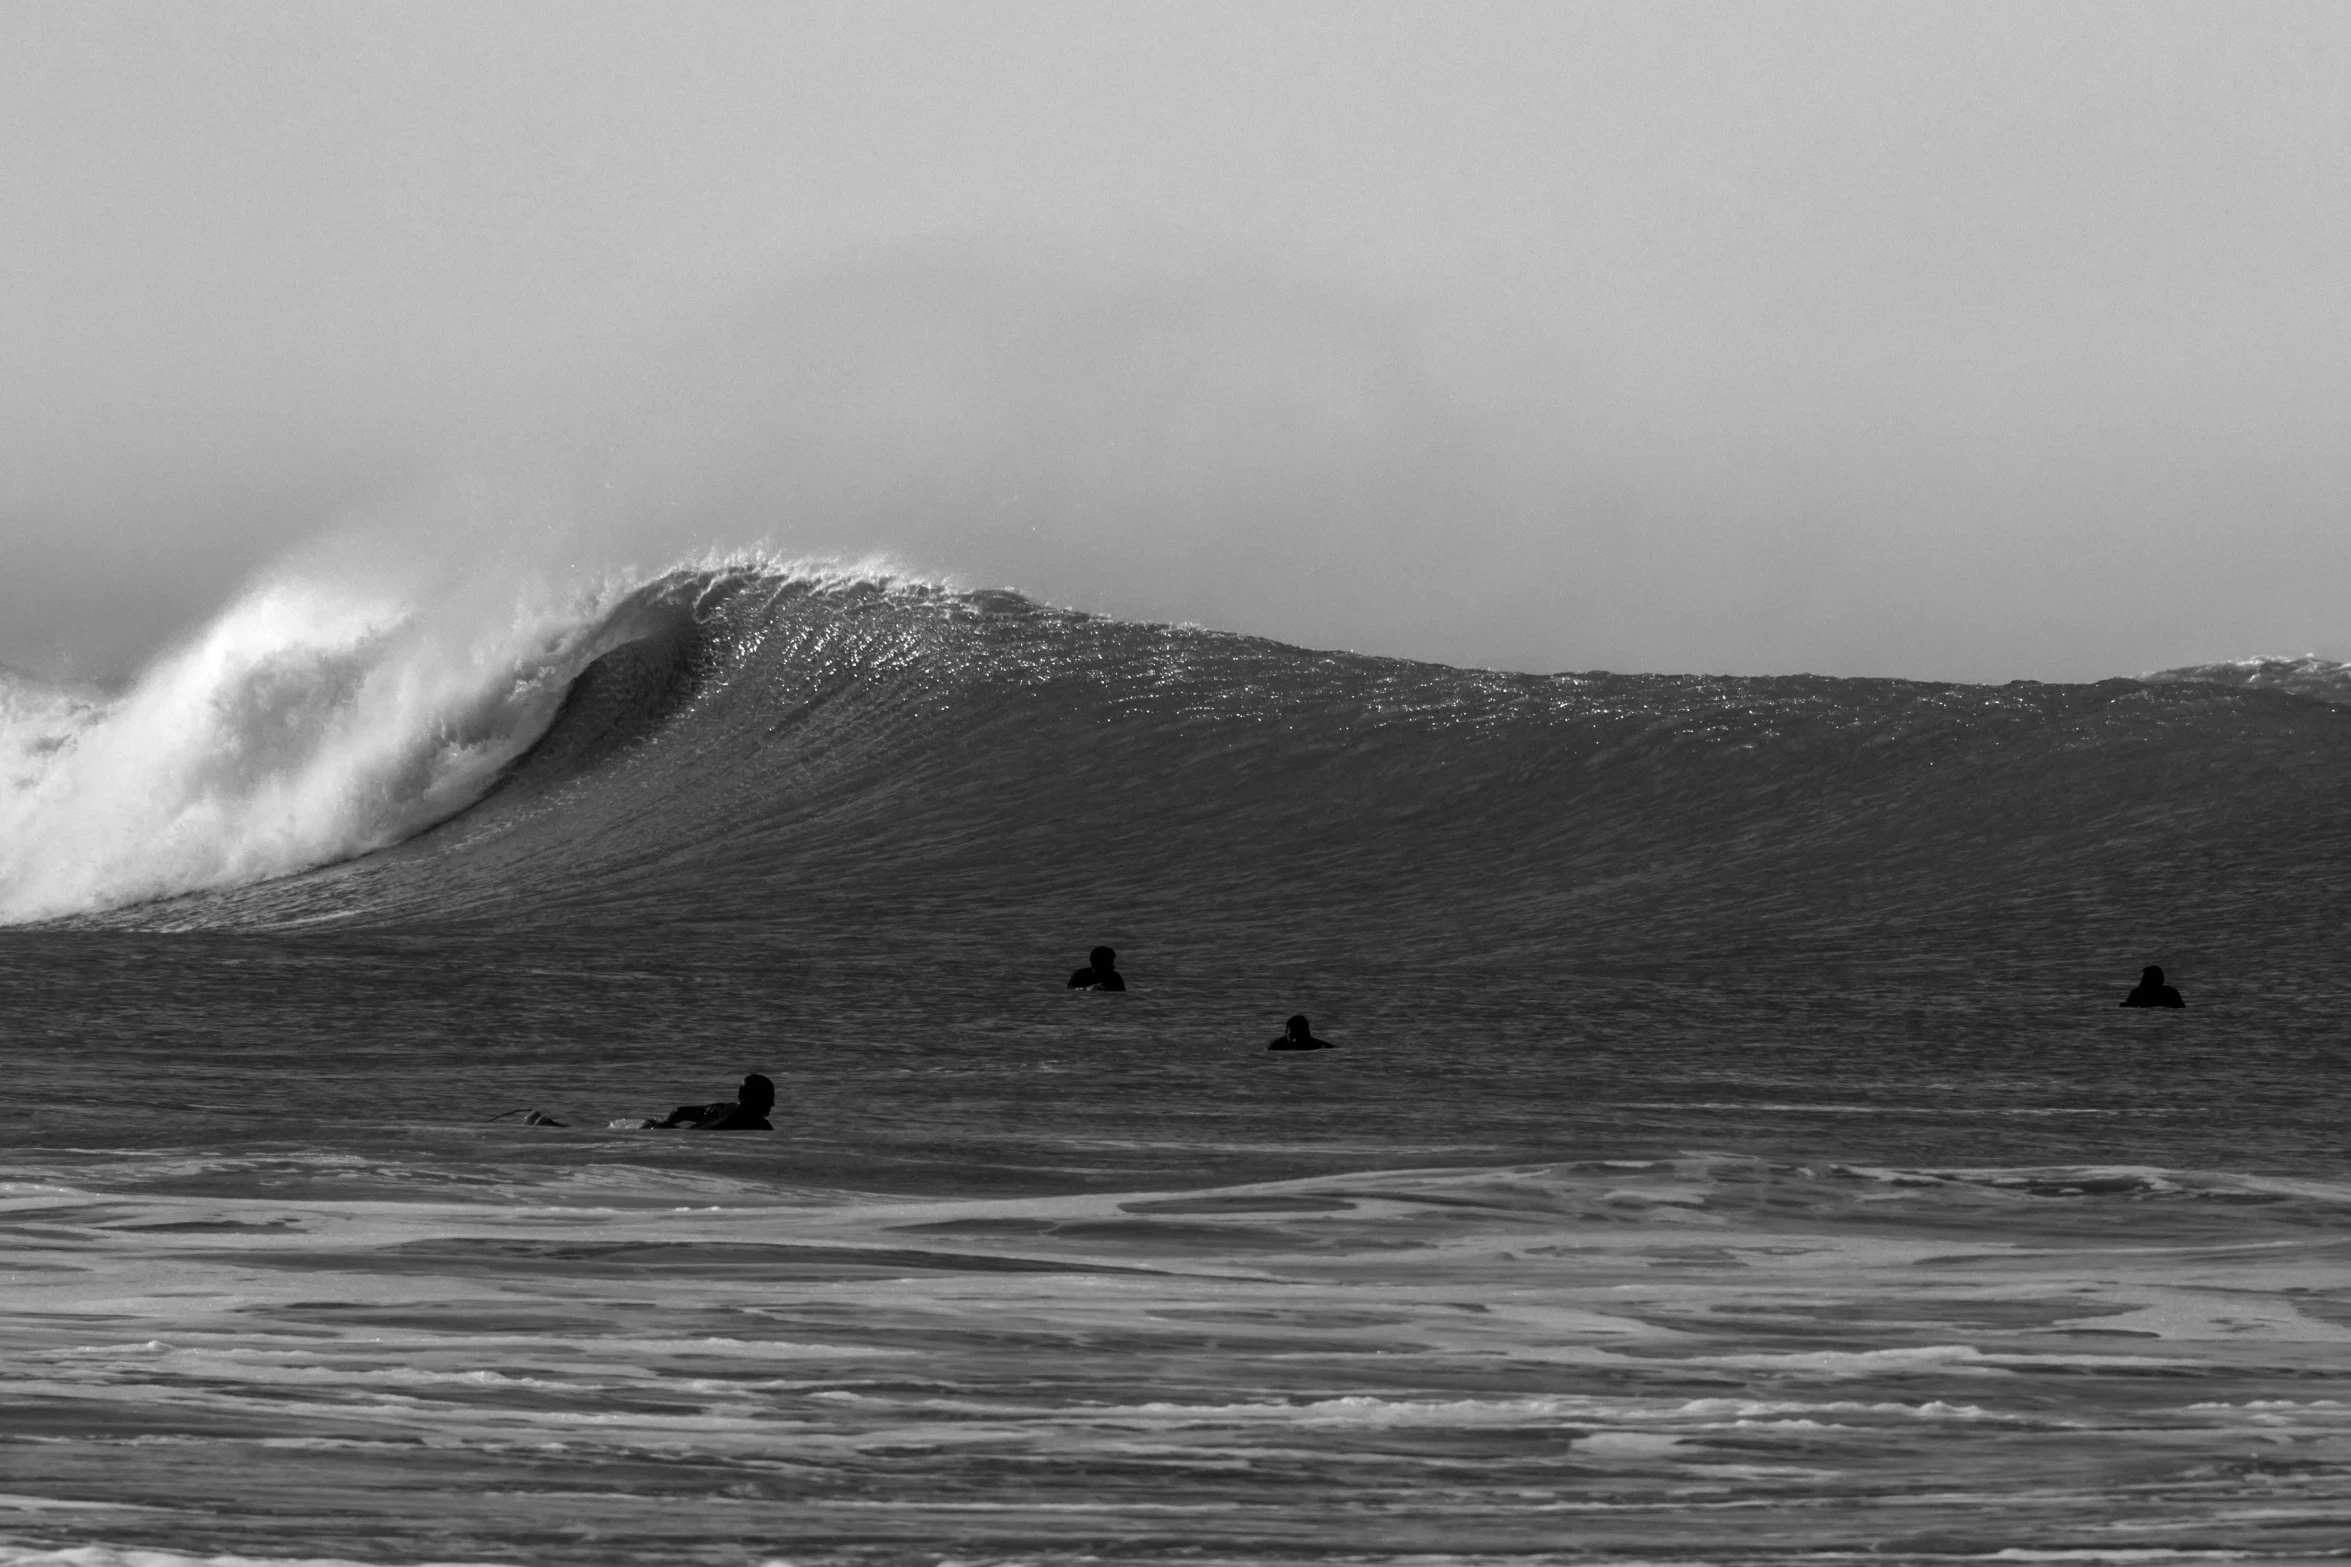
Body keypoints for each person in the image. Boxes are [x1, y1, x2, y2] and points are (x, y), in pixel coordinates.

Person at [648, 1073, 777, 1129]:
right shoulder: (760, 1125)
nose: (772, 1104)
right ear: (754, 1098)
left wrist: (666, 1124)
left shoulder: (719, 1108)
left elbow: (679, 1111)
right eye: (768, 1098)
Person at [2120, 965, 2185, 1009]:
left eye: (2144, 981)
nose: (2140, 985)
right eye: (2141, 980)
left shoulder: (2170, 994)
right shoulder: (2136, 993)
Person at [1266, 1014, 1335, 1050]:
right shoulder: (1275, 1046)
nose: (1295, 1040)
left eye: (1300, 1036)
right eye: (1292, 1036)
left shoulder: (1320, 1046)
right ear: (1286, 1033)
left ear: (1308, 1034)